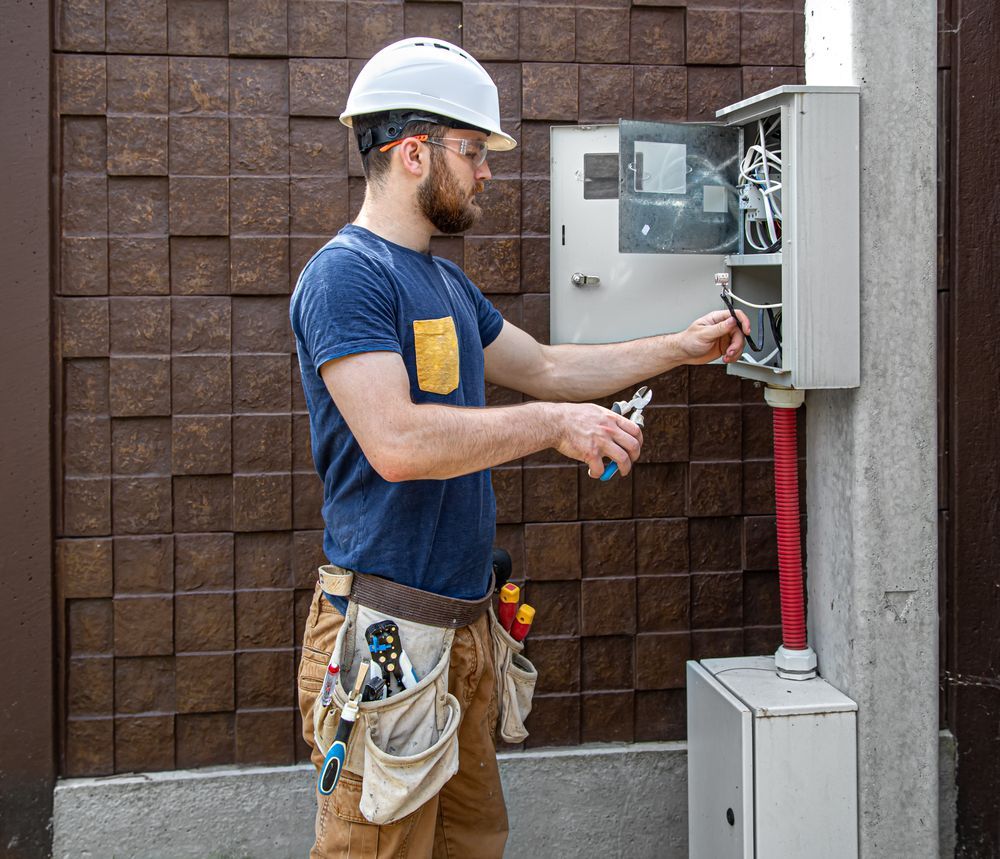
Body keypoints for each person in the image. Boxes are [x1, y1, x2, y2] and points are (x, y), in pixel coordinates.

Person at [290, 37, 749, 859]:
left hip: (463, 632)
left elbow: (542, 366)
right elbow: (395, 440)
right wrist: (550, 426)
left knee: (471, 846)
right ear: (413, 151)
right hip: (388, 637)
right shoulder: (346, 276)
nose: (487, 173)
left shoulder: (444, 280)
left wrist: (680, 346)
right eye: (473, 152)